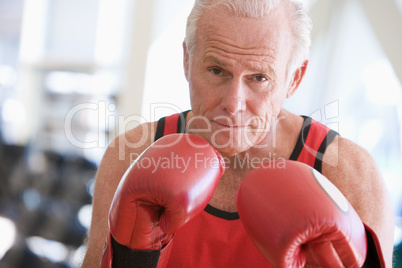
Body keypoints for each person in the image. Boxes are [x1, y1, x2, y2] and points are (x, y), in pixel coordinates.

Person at [82, 0, 395, 267]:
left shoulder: (348, 174)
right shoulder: (133, 157)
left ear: (294, 79)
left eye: (258, 78)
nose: (233, 104)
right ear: (187, 61)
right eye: (217, 71)